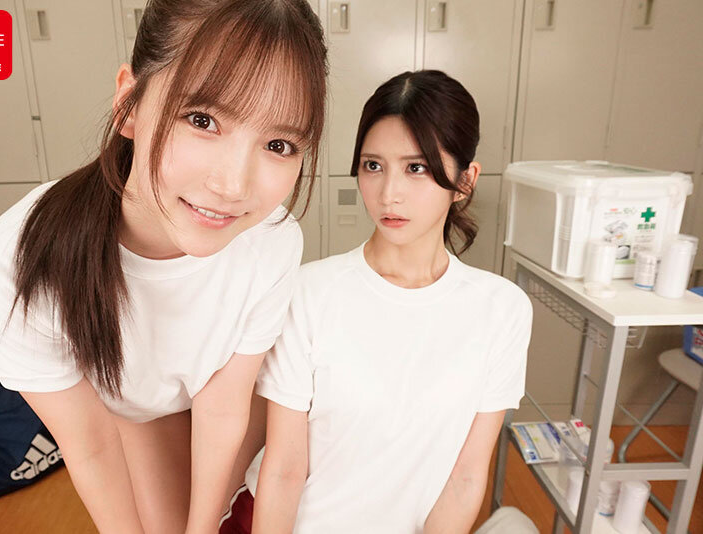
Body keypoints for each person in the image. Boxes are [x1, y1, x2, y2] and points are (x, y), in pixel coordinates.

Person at [0, 1, 327, 532]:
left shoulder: (271, 240)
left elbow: (224, 405)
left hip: (229, 405)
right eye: (202, 120)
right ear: (129, 104)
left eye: (278, 144)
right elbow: (90, 445)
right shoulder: (15, 266)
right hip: (127, 415)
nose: (233, 186)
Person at [220, 70, 533, 534]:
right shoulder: (308, 293)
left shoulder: (502, 310)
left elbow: (466, 479)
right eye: (373, 165)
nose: (389, 194)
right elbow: (284, 469)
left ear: (465, 180)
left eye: (416, 168)